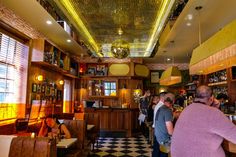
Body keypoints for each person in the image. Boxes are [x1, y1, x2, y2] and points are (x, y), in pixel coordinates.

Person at [171, 85, 236, 157]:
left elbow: (204, 121)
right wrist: (214, 109)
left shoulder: (187, 109)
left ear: (195, 96)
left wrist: (213, 108)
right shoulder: (212, 113)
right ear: (211, 98)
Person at [154, 93, 175, 157]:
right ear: (173, 101)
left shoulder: (160, 108)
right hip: (164, 140)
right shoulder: (167, 110)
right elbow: (170, 132)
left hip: (158, 137)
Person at [152, 92, 166, 157]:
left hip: (157, 129)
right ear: (163, 97)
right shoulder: (161, 106)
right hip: (160, 130)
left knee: (157, 149)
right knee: (160, 150)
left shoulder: (159, 105)